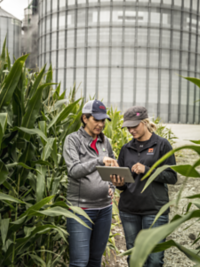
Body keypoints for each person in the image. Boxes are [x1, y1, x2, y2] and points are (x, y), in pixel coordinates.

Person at [111, 106, 177, 267]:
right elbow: (125, 183)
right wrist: (119, 184)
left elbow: (172, 176)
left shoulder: (162, 145)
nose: (131, 130)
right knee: (134, 257)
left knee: (154, 259)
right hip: (129, 210)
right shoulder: (126, 149)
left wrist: (146, 170)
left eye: (134, 126)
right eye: (128, 127)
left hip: (155, 211)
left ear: (145, 122)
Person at [63, 99, 118, 267]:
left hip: (104, 209)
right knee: (80, 262)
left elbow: (113, 168)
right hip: (81, 210)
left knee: (95, 261)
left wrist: (112, 186)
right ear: (85, 118)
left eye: (103, 120)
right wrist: (99, 160)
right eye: (96, 119)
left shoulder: (105, 142)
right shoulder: (72, 140)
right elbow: (74, 170)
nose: (101, 124)